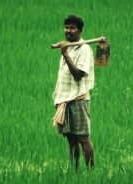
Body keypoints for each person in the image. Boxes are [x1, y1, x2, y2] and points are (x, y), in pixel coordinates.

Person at [52, 15, 95, 171]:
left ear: (80, 30)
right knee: (70, 140)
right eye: (66, 27)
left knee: (83, 138)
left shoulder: (84, 49)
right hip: (64, 99)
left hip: (78, 99)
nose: (68, 31)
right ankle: (74, 173)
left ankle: (91, 174)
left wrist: (65, 54)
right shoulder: (68, 46)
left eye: (72, 28)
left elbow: (78, 75)